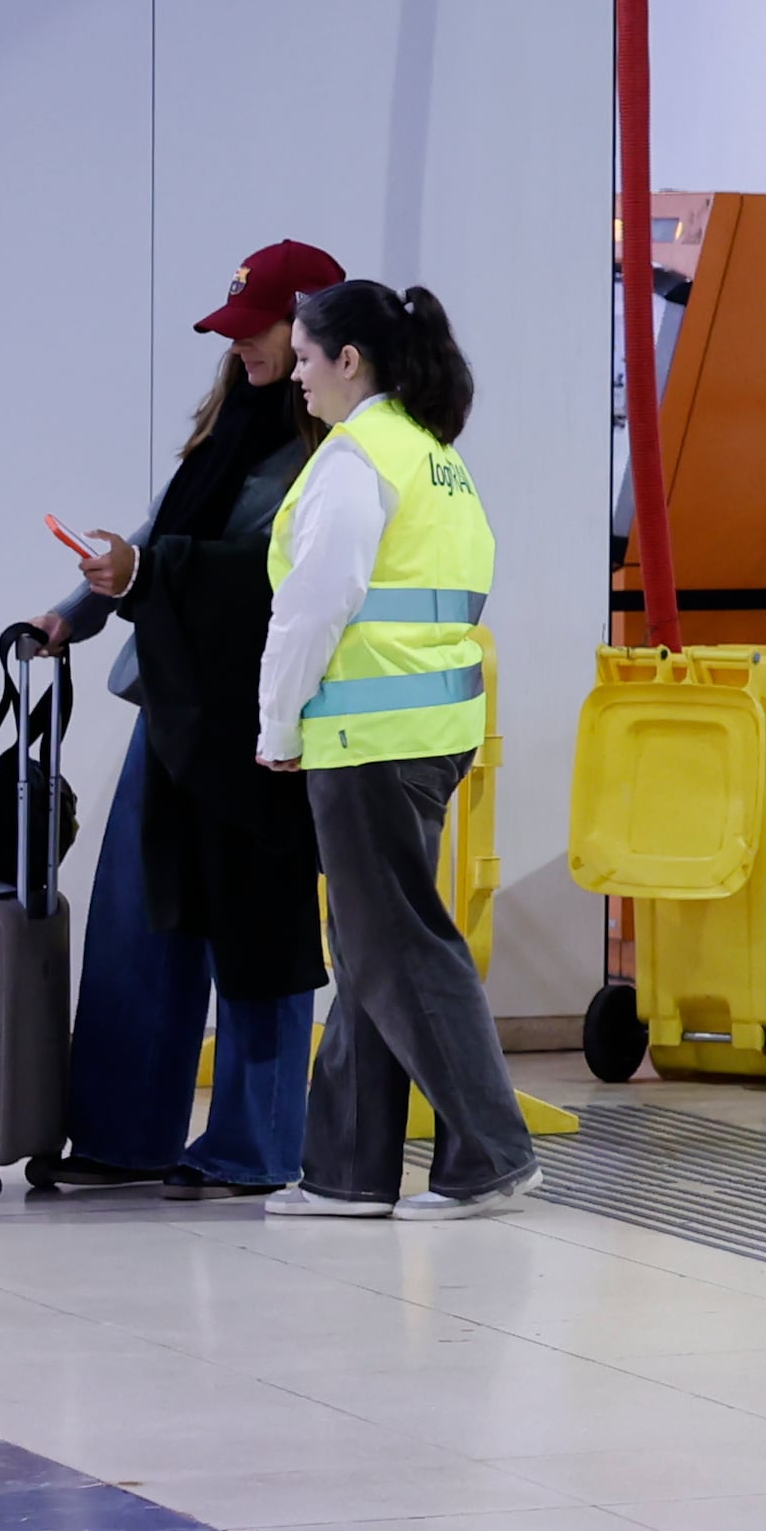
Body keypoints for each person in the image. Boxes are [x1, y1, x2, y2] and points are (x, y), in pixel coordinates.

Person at [27, 241, 337, 1196]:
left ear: (314, 333)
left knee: (258, 932)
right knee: (137, 923)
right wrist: (70, 617)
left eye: (260, 331)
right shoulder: (222, 435)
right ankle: (124, 1135)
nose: (241, 348)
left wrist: (148, 573)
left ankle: (256, 1147)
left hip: (259, 726)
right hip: (169, 704)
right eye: (234, 331)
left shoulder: (333, 453)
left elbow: (277, 581)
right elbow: (153, 541)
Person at [255, 280, 529, 1221]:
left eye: (303, 356)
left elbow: (314, 607)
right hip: (428, 730)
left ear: (349, 360)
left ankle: (490, 1153)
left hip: (370, 735)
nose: (294, 374)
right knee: (373, 945)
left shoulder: (356, 457)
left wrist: (276, 725)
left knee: (397, 945)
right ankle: (348, 1170)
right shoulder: (433, 457)